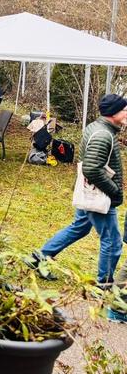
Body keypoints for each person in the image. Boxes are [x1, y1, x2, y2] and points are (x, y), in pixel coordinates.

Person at [28, 94, 125, 288]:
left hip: (88, 190)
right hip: (98, 194)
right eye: (124, 110)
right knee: (113, 241)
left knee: (79, 227)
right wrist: (114, 191)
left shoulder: (97, 127)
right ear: (113, 112)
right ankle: (104, 285)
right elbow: (92, 168)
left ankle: (40, 257)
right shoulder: (103, 134)